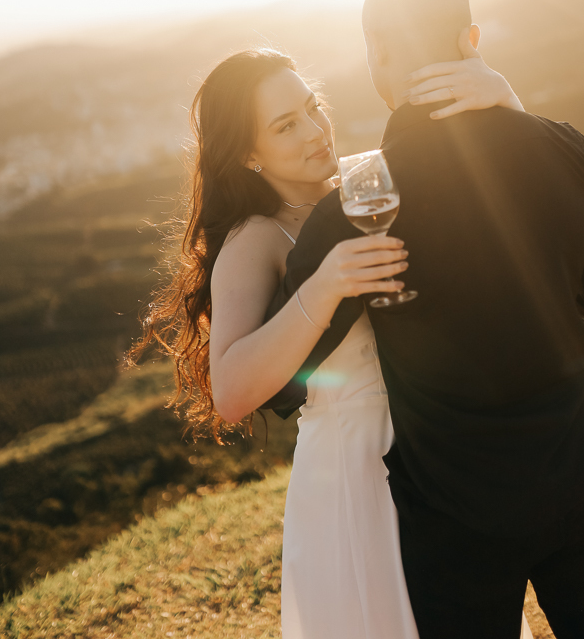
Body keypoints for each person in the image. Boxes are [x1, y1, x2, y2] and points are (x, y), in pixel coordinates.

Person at [265, 0, 584, 639]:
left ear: (376, 55)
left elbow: (290, 381)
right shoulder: (569, 149)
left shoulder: (351, 211)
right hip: (575, 469)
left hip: (455, 513)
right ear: (471, 40)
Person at [129, 41, 532, 638]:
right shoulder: (254, 240)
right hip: (355, 476)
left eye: (313, 108)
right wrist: (324, 288)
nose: (317, 131)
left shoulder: (369, 180)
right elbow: (232, 392)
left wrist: (507, 100)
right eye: (287, 125)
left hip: (437, 456)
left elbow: (509, 190)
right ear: (246, 152)